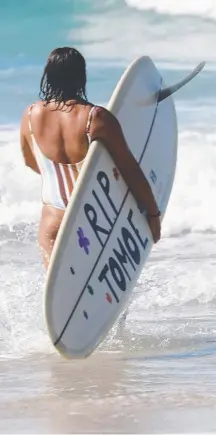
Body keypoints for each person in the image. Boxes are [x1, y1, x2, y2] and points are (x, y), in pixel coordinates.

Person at [20, 47, 161, 270]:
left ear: (49, 75)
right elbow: (130, 171)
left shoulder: (30, 115)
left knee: (60, 293)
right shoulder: (96, 118)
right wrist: (153, 213)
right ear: (81, 76)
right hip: (92, 218)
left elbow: (30, 161)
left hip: (52, 222)